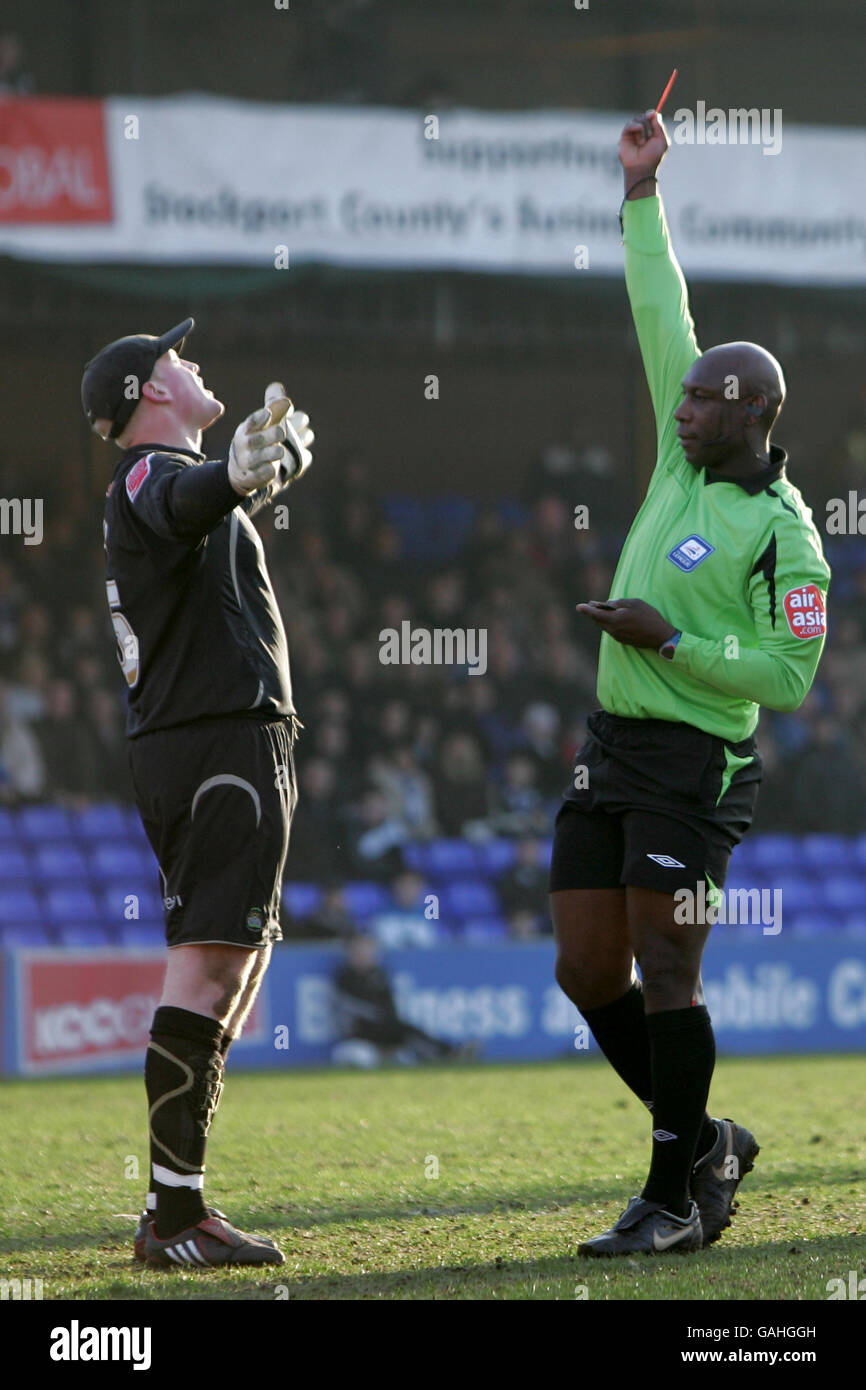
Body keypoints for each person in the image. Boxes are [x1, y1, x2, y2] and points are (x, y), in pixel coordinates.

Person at [549, 112, 830, 1257]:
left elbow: (790, 677)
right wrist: (638, 190)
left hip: (695, 765)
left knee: (668, 964)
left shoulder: (785, 537)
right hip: (610, 743)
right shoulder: (680, 454)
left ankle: (671, 1197)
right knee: (582, 968)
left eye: (705, 400)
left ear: (753, 417)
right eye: (686, 394)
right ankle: (705, 1140)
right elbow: (659, 306)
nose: (681, 404)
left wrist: (669, 643)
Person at [81, 317, 314, 1269]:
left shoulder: (169, 478)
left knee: (235, 965)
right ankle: (174, 1219)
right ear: (147, 392)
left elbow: (201, 503)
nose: (191, 358)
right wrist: (235, 474)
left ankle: (177, 1207)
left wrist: (262, 473)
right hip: (214, 742)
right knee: (210, 967)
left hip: (222, 740)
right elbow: (179, 500)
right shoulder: (146, 474)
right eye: (174, 355)